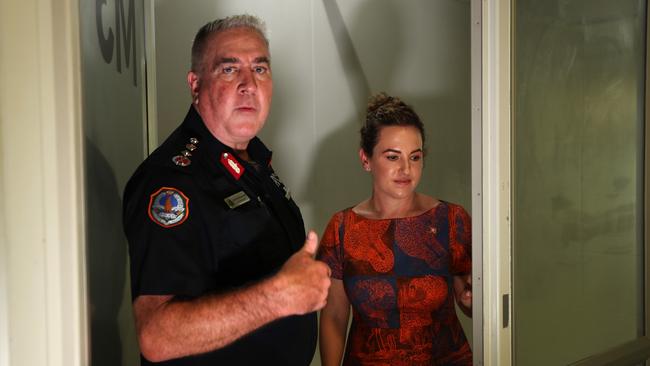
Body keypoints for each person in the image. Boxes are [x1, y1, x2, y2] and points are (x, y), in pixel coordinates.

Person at [122, 14, 331, 365]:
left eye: (260, 69)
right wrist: (277, 297)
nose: (249, 84)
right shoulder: (172, 181)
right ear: (195, 85)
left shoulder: (253, 162)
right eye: (230, 69)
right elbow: (156, 335)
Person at [317, 93, 473, 366]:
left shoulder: (450, 219)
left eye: (415, 157)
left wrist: (475, 301)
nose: (406, 169)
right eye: (392, 157)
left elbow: (468, 300)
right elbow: (334, 316)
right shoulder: (342, 228)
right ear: (366, 159)